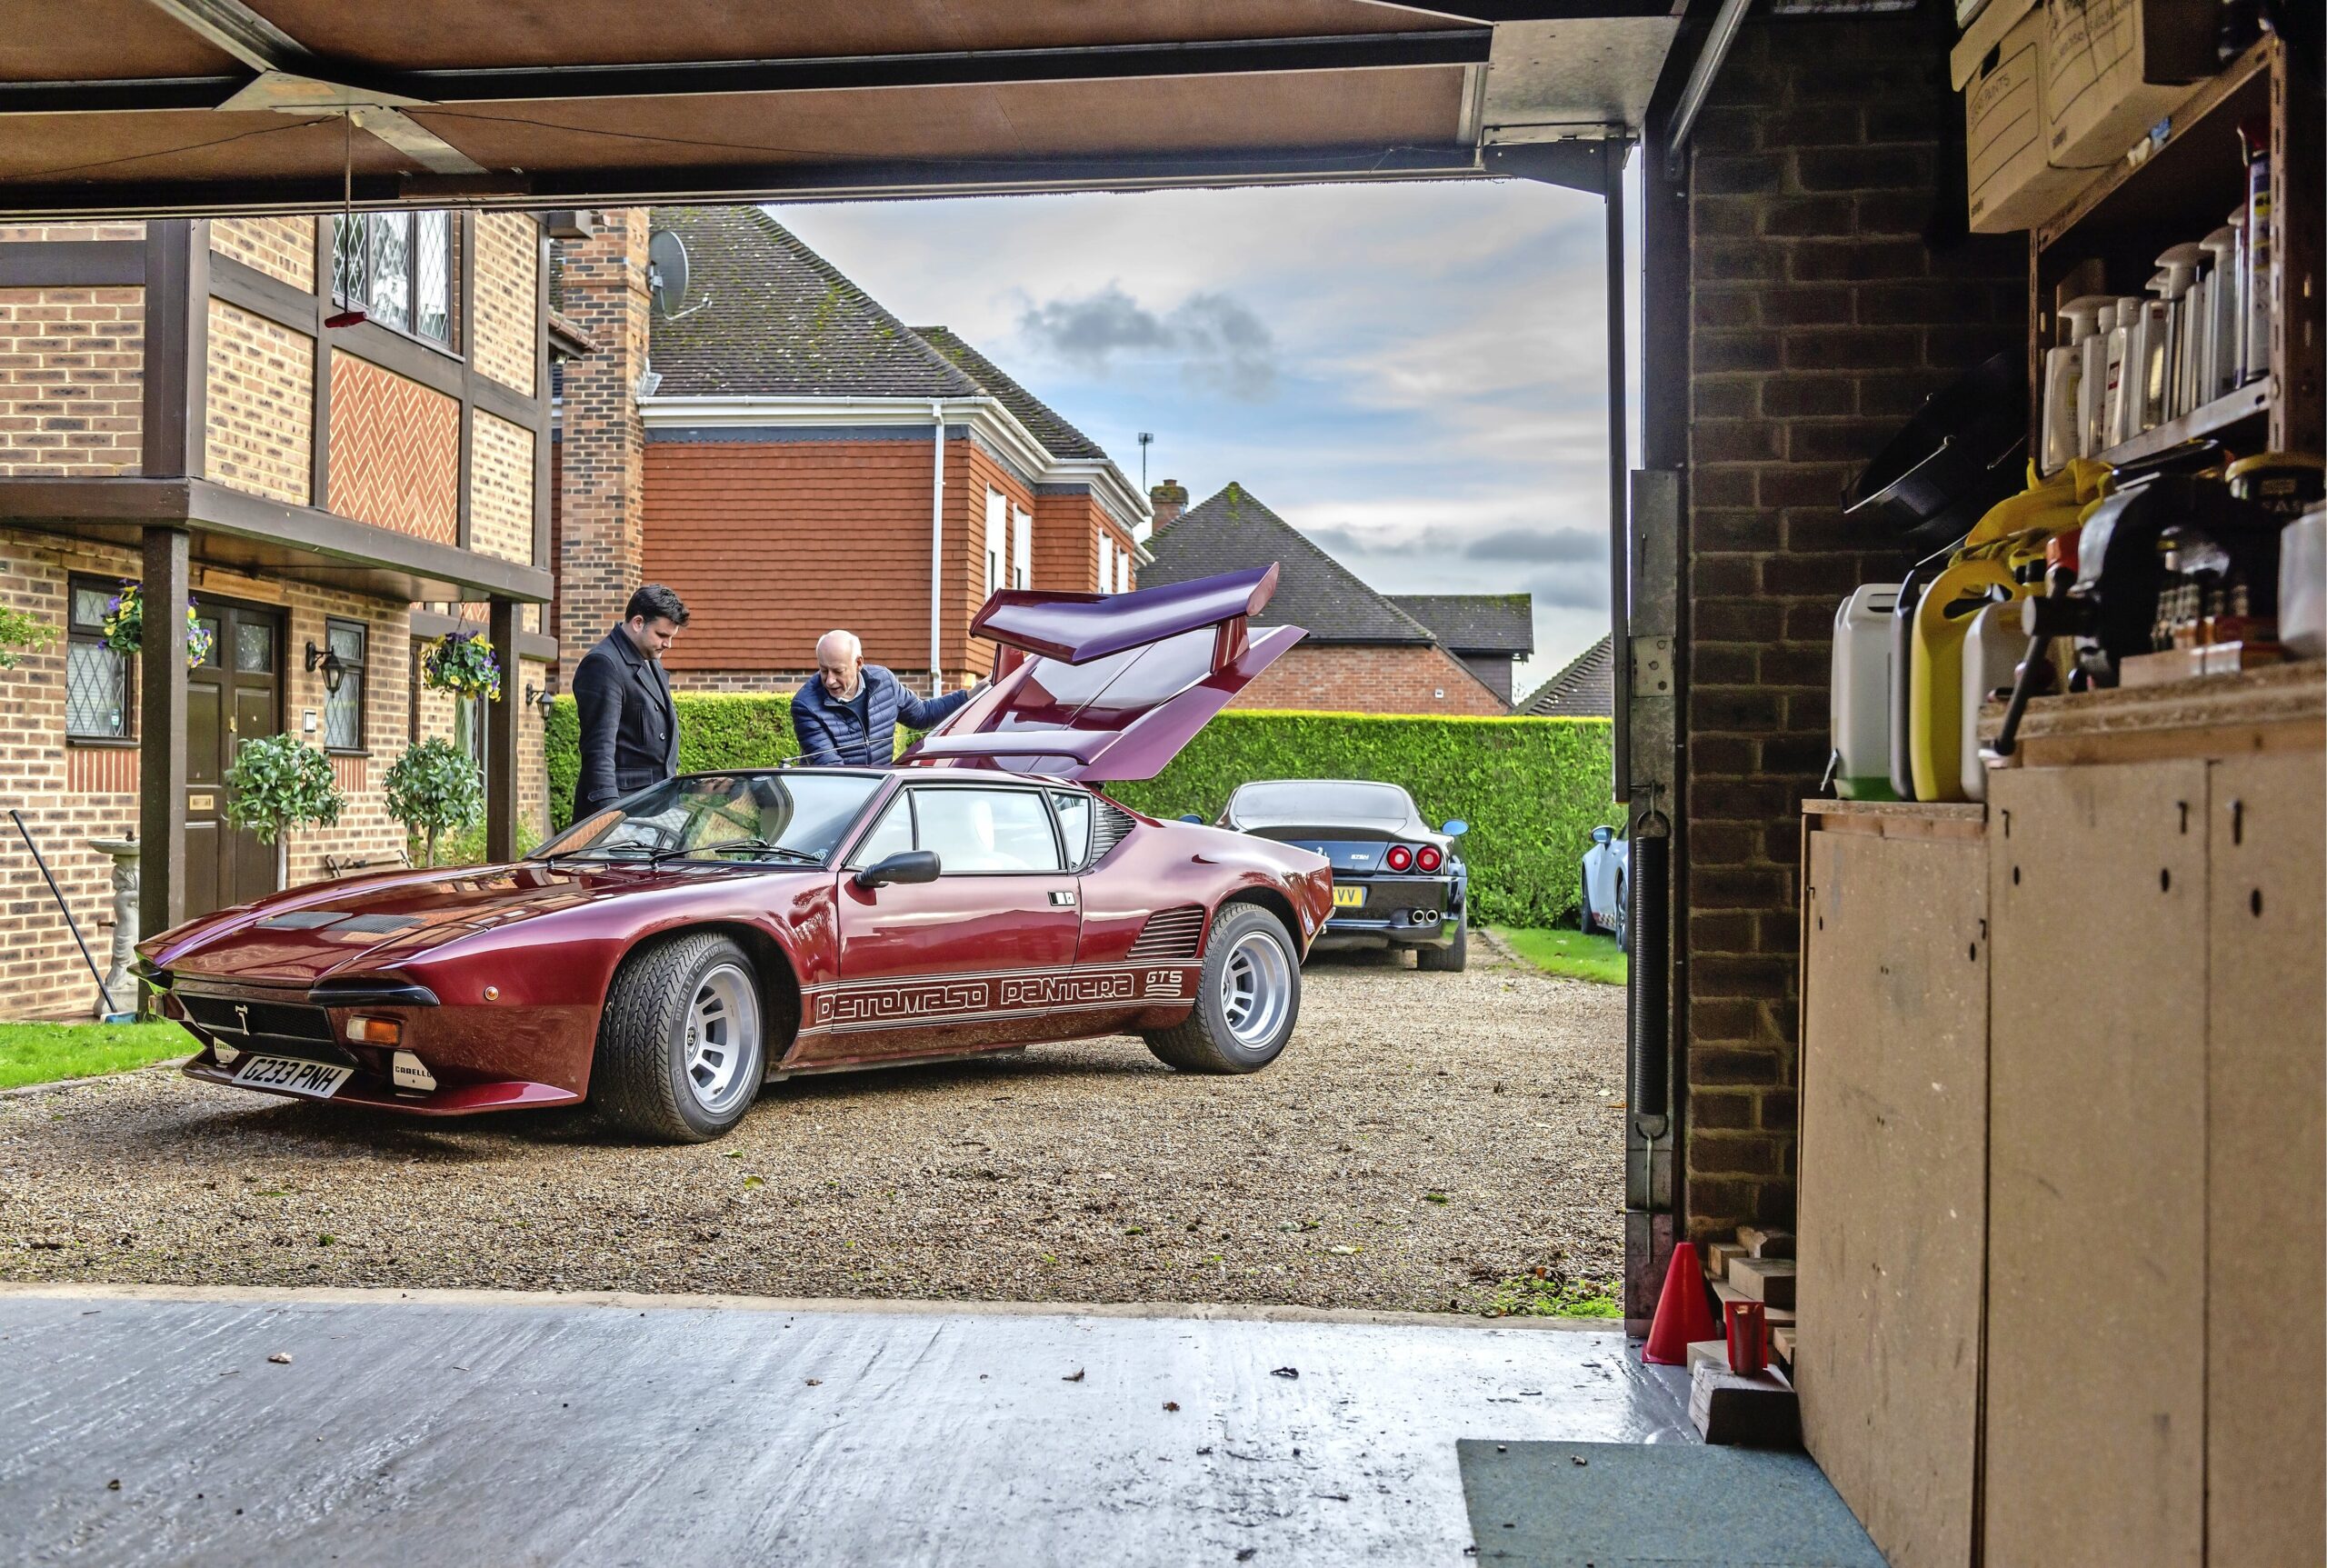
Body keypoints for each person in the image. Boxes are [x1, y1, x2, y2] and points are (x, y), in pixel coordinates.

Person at [571, 584, 688, 821]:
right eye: (662, 635)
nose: (668, 644)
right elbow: (599, 752)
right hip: (622, 815)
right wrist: (612, 819)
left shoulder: (649, 660)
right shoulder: (603, 664)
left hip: (654, 810)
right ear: (637, 622)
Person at [791, 630, 973, 766]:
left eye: (838, 671)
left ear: (858, 663)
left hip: (879, 800)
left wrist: (969, 696)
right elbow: (832, 770)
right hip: (833, 803)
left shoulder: (883, 681)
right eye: (823, 670)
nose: (830, 680)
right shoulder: (805, 705)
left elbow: (923, 714)